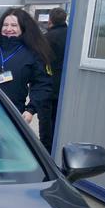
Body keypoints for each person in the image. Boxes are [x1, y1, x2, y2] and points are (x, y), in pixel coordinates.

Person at [0, 8, 53, 125]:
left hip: (12, 116)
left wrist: (31, 110)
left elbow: (43, 84)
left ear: (23, 28)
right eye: (5, 25)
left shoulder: (33, 54)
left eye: (14, 25)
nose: (8, 29)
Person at [41, 8, 68, 155]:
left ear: (50, 20)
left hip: (49, 86)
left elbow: (40, 61)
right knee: (58, 121)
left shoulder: (47, 38)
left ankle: (46, 154)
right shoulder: (72, 36)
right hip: (65, 88)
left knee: (46, 123)